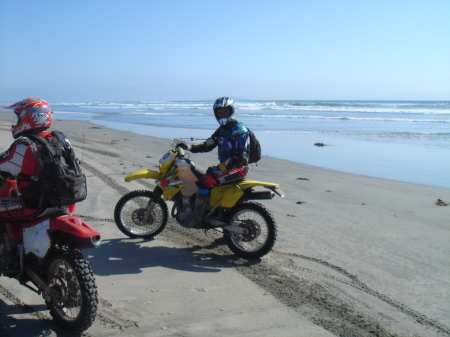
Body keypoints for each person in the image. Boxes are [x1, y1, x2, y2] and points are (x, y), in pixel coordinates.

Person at [0, 97, 70, 273]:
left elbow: (5, 167)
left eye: (18, 117)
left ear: (28, 118)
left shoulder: (25, 146)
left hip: (36, 205)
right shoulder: (61, 139)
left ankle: (7, 258)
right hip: (66, 202)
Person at [177, 97, 250, 227]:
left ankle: (197, 217)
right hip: (226, 168)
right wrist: (188, 147)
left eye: (225, 112)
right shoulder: (222, 130)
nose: (222, 115)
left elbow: (241, 157)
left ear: (231, 111)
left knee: (204, 182)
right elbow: (207, 145)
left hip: (238, 169)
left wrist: (223, 166)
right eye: (219, 113)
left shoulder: (238, 129)